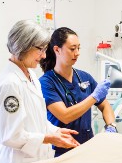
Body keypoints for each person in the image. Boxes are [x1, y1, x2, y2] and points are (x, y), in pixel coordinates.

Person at [0, 20, 80, 163]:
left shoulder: (31, 76)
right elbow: (11, 136)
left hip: (37, 161)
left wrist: (56, 131)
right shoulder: (10, 84)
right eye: (41, 49)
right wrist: (48, 138)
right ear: (24, 46)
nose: (44, 56)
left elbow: (36, 120)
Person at [39, 27, 115, 156]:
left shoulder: (85, 77)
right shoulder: (46, 82)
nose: (77, 53)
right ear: (57, 49)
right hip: (60, 151)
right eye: (72, 49)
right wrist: (94, 96)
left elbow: (105, 105)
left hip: (86, 146)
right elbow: (65, 116)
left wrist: (111, 125)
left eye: (79, 48)